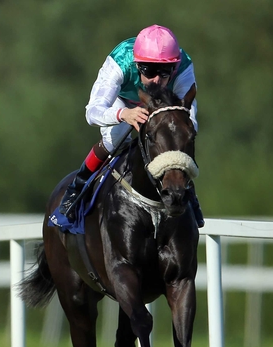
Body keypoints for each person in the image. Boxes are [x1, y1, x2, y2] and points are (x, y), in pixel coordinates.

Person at [56, 24, 204, 227]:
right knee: (116, 136)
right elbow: (92, 112)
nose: (157, 80)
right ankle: (77, 188)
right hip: (123, 102)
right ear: (136, 65)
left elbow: (190, 117)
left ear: (174, 66)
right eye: (149, 71)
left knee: (177, 135)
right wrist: (123, 114)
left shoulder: (184, 66)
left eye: (165, 72)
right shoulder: (120, 62)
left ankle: (188, 193)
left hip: (163, 106)